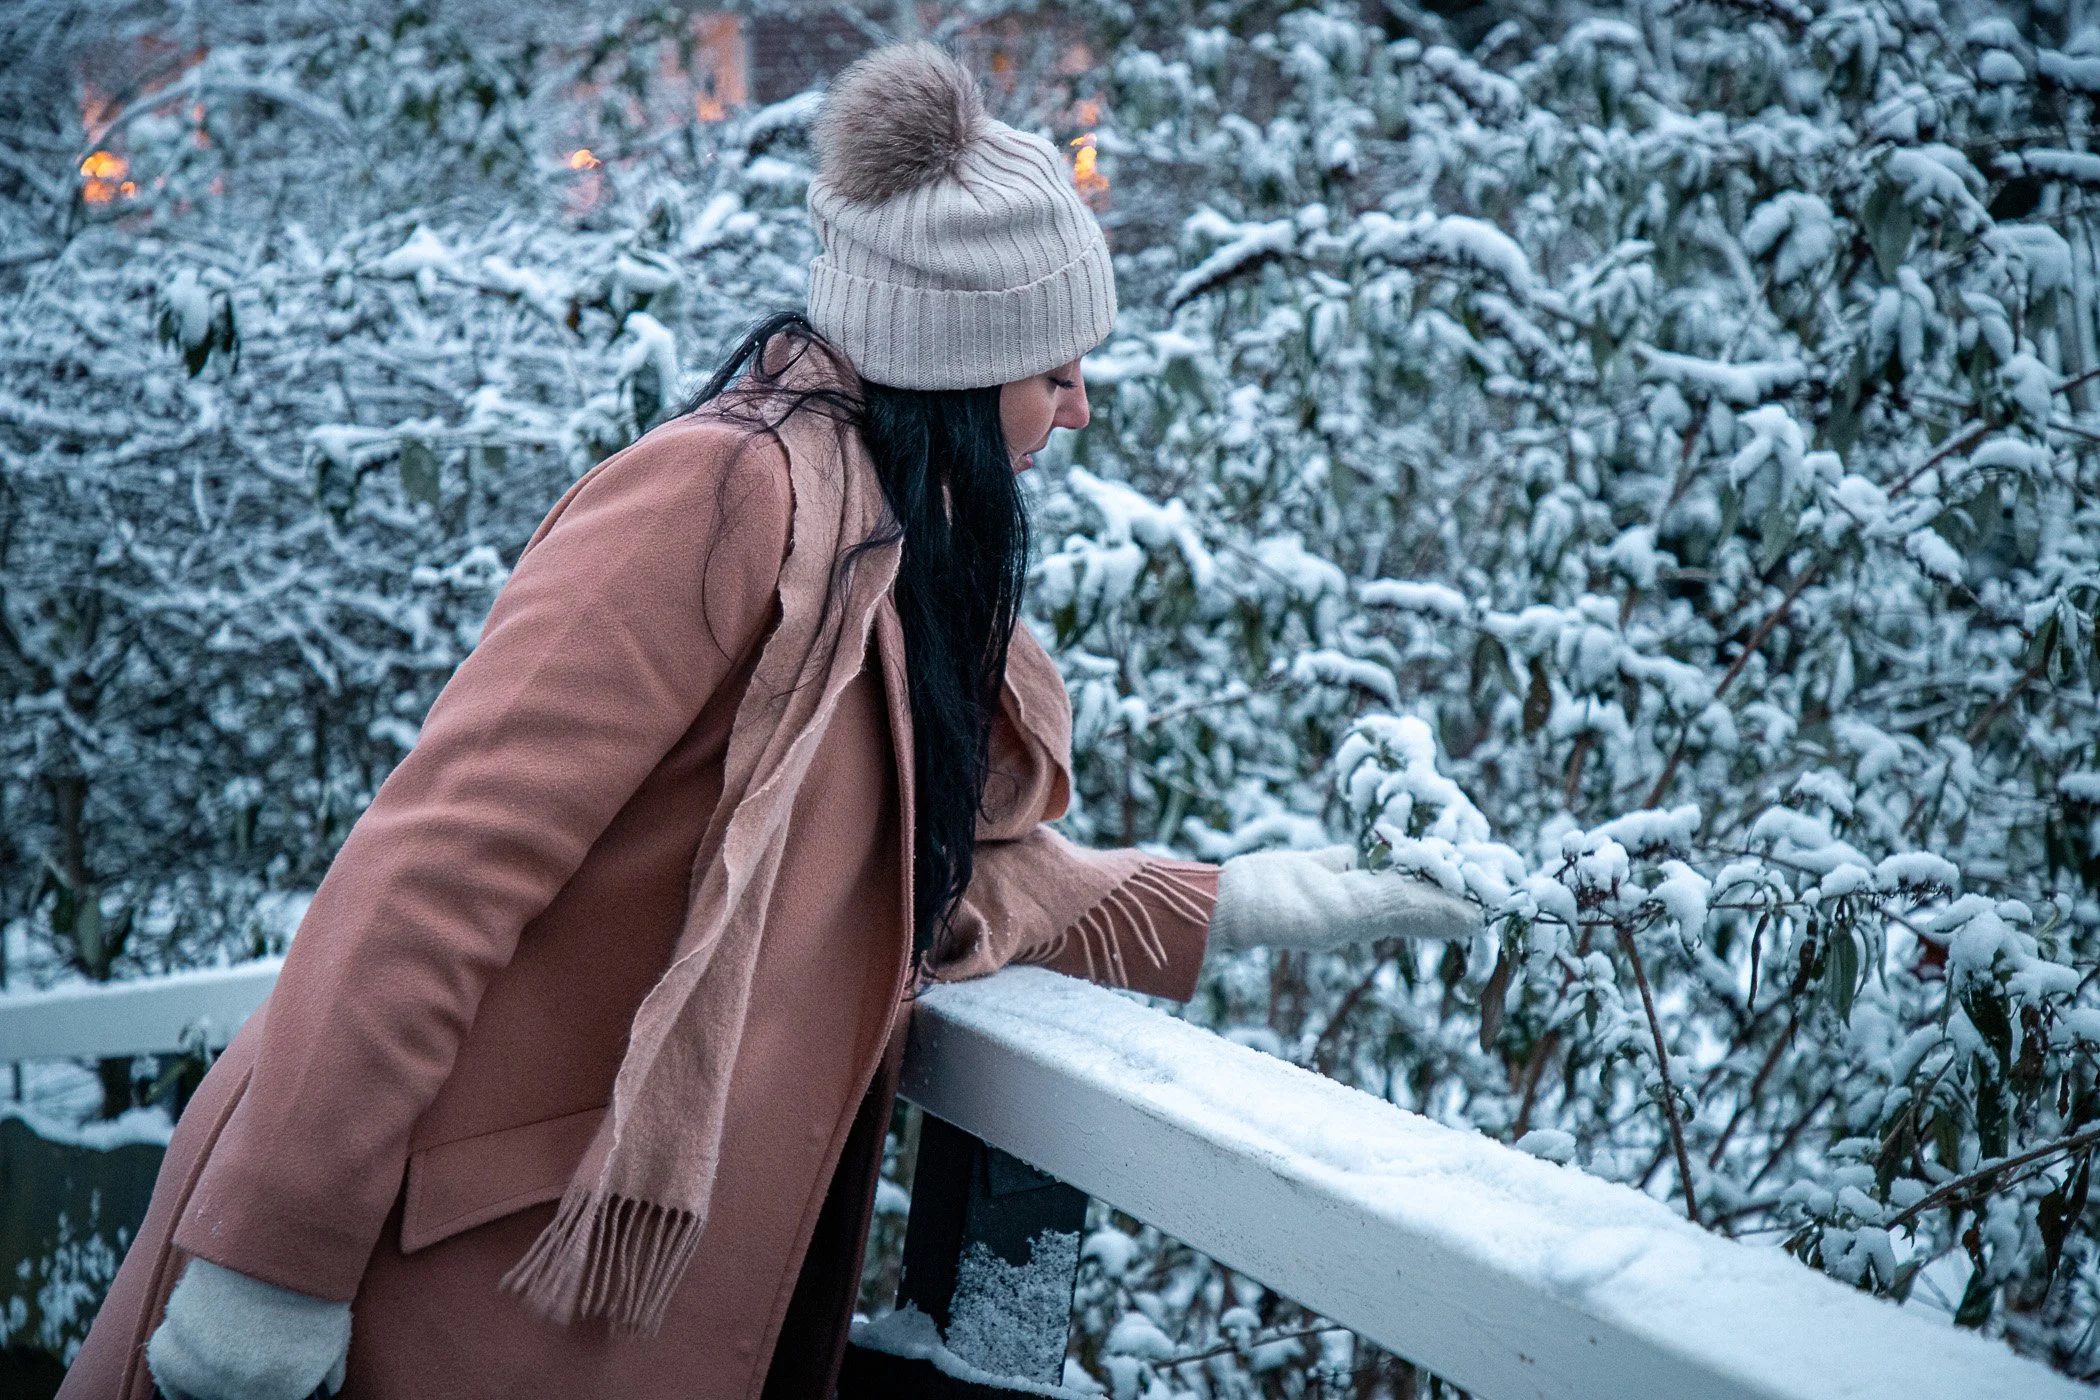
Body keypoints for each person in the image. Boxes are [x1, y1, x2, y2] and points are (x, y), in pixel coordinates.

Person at [61, 43, 1477, 1400]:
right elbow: (437, 865)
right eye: (1058, 369)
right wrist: (272, 1261)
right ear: (962, 368)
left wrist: (1258, 903)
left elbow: (905, 892)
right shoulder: (723, 497)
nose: (1083, 407)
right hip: (441, 1273)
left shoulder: (875, 554)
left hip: (577, 1288)